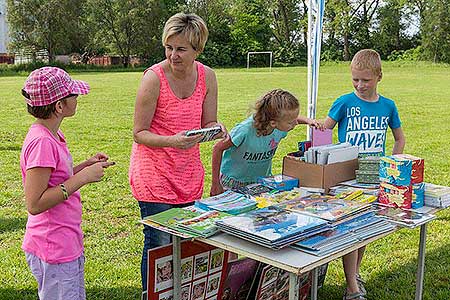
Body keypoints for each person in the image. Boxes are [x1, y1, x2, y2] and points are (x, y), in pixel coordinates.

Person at [129, 12, 226, 293]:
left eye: (181, 49)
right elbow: (139, 132)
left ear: (198, 49)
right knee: (158, 244)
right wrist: (173, 141)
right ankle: (155, 295)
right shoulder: (153, 78)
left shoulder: (207, 76)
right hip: (154, 176)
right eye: (169, 48)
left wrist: (215, 129)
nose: (173, 55)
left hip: (188, 175)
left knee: (185, 245)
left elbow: (208, 121)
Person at [20, 67, 114, 300]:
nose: (77, 97)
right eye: (73, 94)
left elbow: (55, 177)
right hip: (54, 247)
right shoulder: (42, 142)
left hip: (64, 241)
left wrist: (84, 165)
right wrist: (82, 178)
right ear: (59, 106)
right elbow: (35, 202)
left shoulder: (51, 135)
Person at [323, 49, 406, 300]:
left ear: (379, 76)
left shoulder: (388, 106)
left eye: (366, 80)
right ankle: (351, 288)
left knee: (366, 228)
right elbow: (324, 132)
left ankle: (355, 274)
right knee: (350, 228)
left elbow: (400, 138)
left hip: (373, 176)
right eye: (355, 79)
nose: (360, 85)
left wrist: (393, 164)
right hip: (346, 177)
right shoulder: (344, 102)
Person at [210, 89, 323, 196]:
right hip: (233, 183)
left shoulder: (279, 126)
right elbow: (218, 148)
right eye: (291, 122)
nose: (295, 124)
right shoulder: (244, 130)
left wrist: (309, 121)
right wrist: (215, 183)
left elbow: (295, 119)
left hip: (261, 181)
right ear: (273, 123)